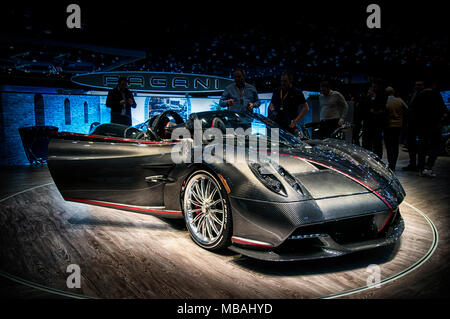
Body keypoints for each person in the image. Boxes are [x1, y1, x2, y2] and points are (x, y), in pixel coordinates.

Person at [414, 80, 448, 177]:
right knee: (436, 146)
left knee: (422, 147)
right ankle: (428, 167)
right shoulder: (436, 95)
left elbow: (414, 111)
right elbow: (444, 111)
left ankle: (421, 168)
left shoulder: (420, 95)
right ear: (434, 85)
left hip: (422, 126)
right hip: (434, 126)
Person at [383, 87, 408, 171]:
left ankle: (391, 164)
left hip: (388, 125)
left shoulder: (386, 101)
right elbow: (407, 109)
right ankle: (394, 163)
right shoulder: (399, 100)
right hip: (398, 126)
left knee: (389, 146)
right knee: (395, 145)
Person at [361, 79, 387, 159]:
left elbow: (383, 109)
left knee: (377, 143)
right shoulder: (367, 97)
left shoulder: (382, 96)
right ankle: (366, 158)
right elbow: (364, 108)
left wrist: (375, 112)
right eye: (372, 86)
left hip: (377, 124)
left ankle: (378, 159)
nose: (373, 88)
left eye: (375, 86)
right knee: (366, 143)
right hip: (367, 123)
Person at [402, 80, 424, 171]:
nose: (417, 86)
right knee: (411, 145)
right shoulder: (414, 94)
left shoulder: (423, 95)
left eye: (419, 85)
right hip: (412, 124)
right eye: (416, 85)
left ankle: (420, 165)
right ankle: (413, 163)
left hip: (420, 125)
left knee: (421, 146)